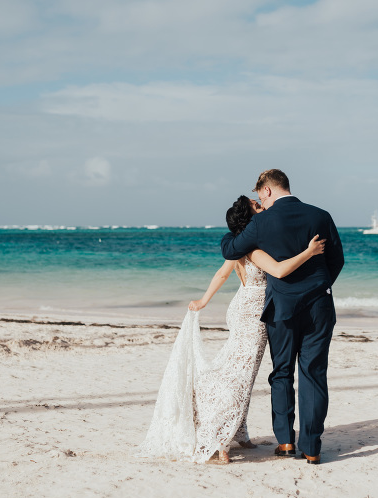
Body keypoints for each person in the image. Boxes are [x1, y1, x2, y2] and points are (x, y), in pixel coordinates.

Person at [136, 195, 325, 464]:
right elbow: (280, 271)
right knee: (241, 376)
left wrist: (204, 300)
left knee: (239, 372)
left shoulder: (239, 244)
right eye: (257, 206)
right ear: (251, 217)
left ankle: (238, 431)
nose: (262, 207)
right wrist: (309, 252)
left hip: (242, 306)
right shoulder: (254, 248)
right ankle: (220, 441)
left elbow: (222, 274)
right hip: (253, 314)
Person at [221, 169, 344, 465]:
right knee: (313, 374)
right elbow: (336, 260)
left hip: (282, 308)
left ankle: (286, 442)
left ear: (266, 191)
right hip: (319, 304)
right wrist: (318, 286)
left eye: (259, 194)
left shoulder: (262, 222)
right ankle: (312, 448)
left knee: (282, 372)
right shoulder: (320, 215)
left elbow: (230, 249)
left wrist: (233, 228)